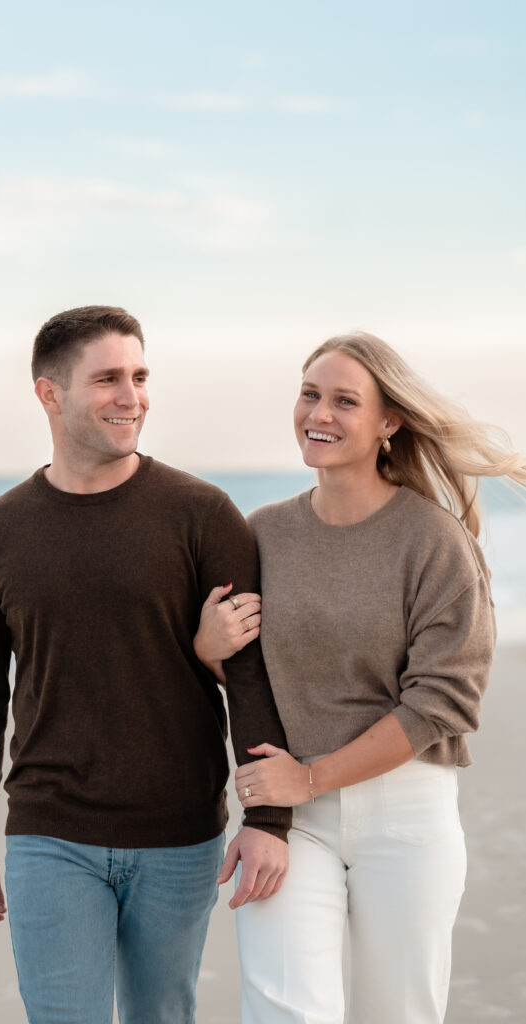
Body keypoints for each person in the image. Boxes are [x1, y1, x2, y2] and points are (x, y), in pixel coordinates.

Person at [0, 305, 291, 1024]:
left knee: (161, 1017)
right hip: (49, 834)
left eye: (138, 375)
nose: (130, 396)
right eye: (106, 379)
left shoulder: (202, 514)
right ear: (48, 393)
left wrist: (268, 817)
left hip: (181, 834)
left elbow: (251, 673)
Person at [194, 331, 526, 1023]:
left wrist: (312, 776)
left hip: (403, 814)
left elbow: (442, 701)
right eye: (310, 394)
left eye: (345, 400)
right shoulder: (261, 533)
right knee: (285, 1009)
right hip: (295, 818)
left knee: (398, 1012)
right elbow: (251, 672)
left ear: (388, 422)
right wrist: (205, 647)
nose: (318, 413)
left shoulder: (432, 539)